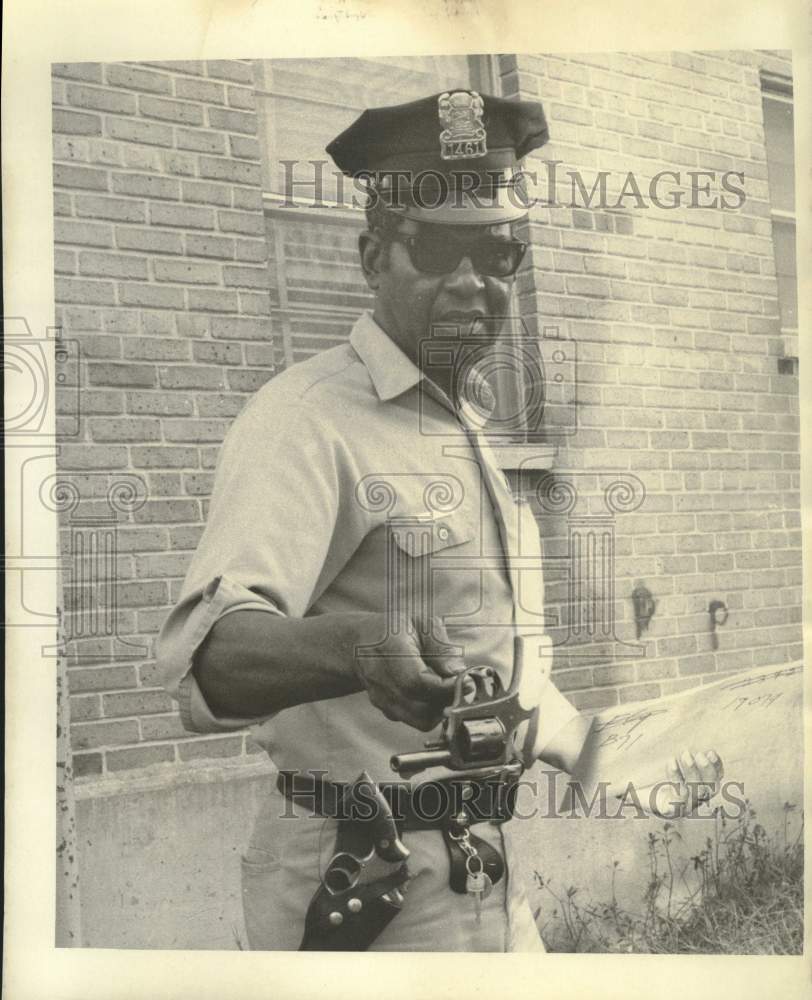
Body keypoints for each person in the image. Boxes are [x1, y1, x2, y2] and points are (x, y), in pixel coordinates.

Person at [158, 90, 723, 952]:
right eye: (439, 252)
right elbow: (209, 659)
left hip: (486, 868)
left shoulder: (467, 429)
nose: (473, 285)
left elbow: (494, 671)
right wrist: (355, 647)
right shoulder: (305, 420)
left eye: (498, 256)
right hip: (360, 888)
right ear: (373, 256)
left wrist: (603, 752)